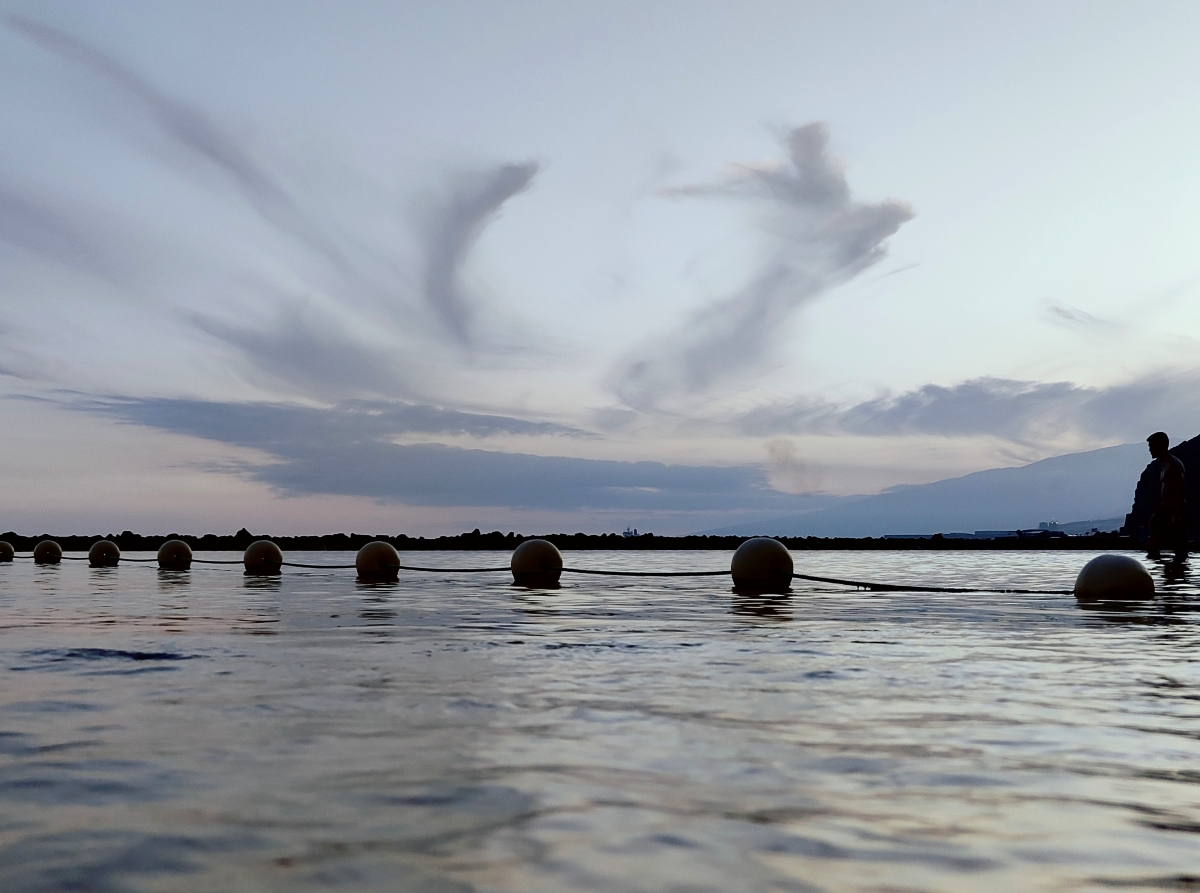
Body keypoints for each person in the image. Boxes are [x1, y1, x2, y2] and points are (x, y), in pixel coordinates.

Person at [1146, 431, 1188, 561]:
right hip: (1167, 511)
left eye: (1152, 446)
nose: (1150, 450)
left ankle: (1177, 575)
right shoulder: (1164, 465)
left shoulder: (1174, 465)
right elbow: (1167, 493)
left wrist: (1176, 516)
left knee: (1178, 549)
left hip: (1177, 511)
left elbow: (1180, 491)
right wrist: (1158, 513)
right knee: (1155, 546)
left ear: (1162, 446)